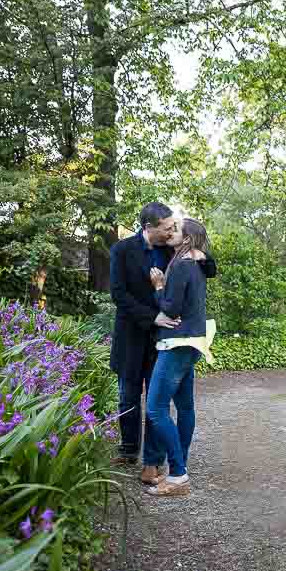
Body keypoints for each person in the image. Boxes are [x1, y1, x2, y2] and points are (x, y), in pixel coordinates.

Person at [108, 203, 216, 485]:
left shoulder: (174, 249)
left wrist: (202, 256)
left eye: (173, 227)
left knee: (157, 402)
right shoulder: (121, 250)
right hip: (132, 335)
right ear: (148, 228)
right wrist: (153, 316)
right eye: (166, 227)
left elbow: (208, 265)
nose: (171, 230)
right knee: (128, 397)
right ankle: (129, 449)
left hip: (164, 339)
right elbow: (118, 295)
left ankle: (152, 462)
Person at [144, 218, 213, 497]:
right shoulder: (196, 264)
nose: (171, 232)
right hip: (194, 341)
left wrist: (159, 286)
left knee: (156, 409)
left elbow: (170, 309)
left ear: (187, 239)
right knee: (184, 407)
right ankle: (178, 467)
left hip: (177, 343)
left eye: (176, 230)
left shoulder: (183, 265)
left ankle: (178, 475)